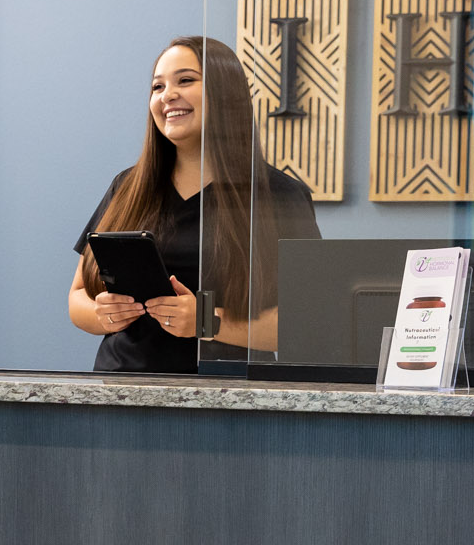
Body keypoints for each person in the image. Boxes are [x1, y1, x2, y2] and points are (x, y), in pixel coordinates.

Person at [69, 35, 319, 371]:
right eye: (157, 87)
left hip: (228, 399)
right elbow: (78, 296)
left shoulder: (280, 195)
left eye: (185, 80)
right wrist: (104, 316)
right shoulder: (126, 187)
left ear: (226, 95)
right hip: (121, 393)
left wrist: (208, 322)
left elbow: (308, 323)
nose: (167, 95)